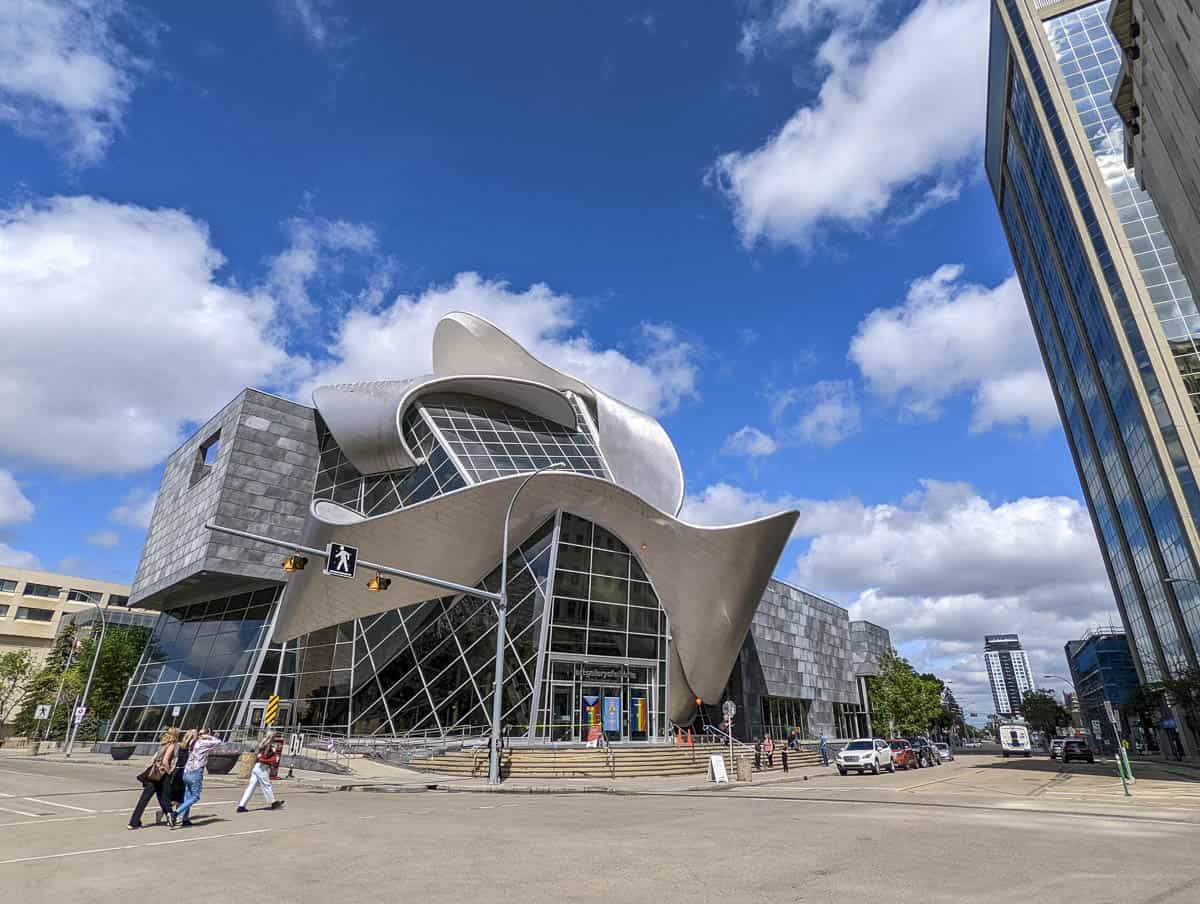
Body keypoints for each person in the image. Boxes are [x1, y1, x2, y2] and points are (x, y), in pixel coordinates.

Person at [128, 728, 180, 830]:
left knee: (145, 799)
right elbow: (165, 761)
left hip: (153, 775)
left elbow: (152, 759)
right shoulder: (171, 745)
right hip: (162, 774)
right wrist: (169, 772)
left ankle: (133, 822)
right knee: (165, 796)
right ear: (176, 736)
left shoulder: (162, 745)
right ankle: (170, 816)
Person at [175, 727, 223, 827]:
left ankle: (185, 818)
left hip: (187, 771)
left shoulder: (192, 742)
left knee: (187, 796)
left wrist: (203, 736)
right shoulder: (202, 743)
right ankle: (175, 813)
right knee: (195, 797)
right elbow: (218, 742)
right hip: (196, 772)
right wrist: (208, 736)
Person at [237, 732, 285, 813]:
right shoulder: (268, 745)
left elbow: (259, 755)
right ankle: (273, 803)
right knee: (267, 785)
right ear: (272, 737)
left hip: (257, 767)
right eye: (275, 737)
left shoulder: (262, 743)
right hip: (263, 767)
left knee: (251, 787)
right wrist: (274, 758)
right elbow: (265, 756)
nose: (276, 738)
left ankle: (241, 806)